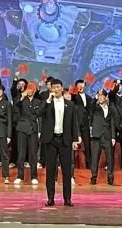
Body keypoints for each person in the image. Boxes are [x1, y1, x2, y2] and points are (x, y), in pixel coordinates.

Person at [36, 78, 80, 207]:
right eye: (53, 87)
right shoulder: (47, 102)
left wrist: (75, 139)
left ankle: (67, 199)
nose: (55, 89)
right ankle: (50, 198)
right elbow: (38, 113)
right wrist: (48, 101)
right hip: (51, 140)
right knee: (50, 170)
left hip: (65, 139)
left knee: (66, 170)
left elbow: (74, 123)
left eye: (58, 87)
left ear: (61, 88)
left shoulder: (69, 104)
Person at [14, 82, 41, 185]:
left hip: (33, 129)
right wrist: (22, 96)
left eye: (32, 89)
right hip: (22, 128)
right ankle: (20, 176)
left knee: (33, 154)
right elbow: (16, 105)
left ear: (34, 90)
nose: (30, 91)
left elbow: (40, 116)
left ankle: (34, 176)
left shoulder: (38, 101)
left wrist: (40, 131)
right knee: (21, 153)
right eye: (28, 89)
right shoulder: (21, 100)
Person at [88, 89, 116, 185]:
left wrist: (113, 137)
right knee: (95, 158)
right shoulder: (94, 108)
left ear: (106, 97)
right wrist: (95, 98)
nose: (100, 97)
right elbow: (91, 105)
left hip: (107, 136)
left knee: (110, 158)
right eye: (98, 95)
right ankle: (93, 177)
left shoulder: (110, 108)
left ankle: (110, 178)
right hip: (96, 136)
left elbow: (112, 123)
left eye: (101, 95)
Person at [72, 80, 93, 169]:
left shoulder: (89, 98)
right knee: (74, 143)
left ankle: (89, 165)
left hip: (85, 123)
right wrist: (75, 91)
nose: (81, 87)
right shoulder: (74, 96)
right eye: (79, 85)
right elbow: (72, 96)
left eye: (82, 85)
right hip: (76, 123)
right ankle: (72, 164)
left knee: (87, 145)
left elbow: (90, 110)